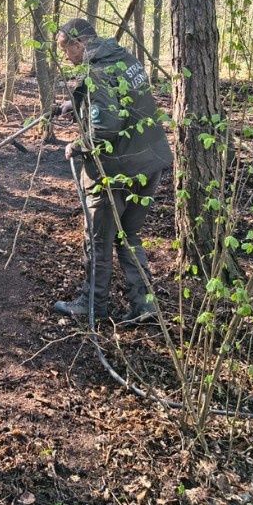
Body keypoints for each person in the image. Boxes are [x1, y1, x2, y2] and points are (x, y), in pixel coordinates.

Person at [52, 17, 173, 324]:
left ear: (79, 43)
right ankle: (145, 306)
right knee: (128, 234)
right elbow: (121, 102)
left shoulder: (96, 72)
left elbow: (105, 128)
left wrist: (77, 145)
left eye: (66, 49)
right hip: (149, 162)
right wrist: (77, 104)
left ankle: (92, 304)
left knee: (99, 238)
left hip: (116, 171)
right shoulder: (124, 58)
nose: (66, 57)